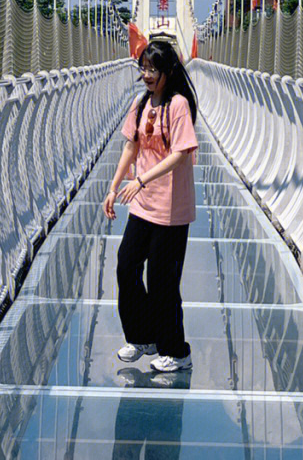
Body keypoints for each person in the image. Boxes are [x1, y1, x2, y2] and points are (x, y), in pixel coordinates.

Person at [103, 38, 199, 374]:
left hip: (172, 209)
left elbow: (180, 153)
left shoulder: (178, 106)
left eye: (152, 69)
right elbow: (131, 147)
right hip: (142, 207)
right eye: (143, 68)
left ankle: (175, 349)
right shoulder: (141, 103)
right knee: (126, 267)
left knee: (162, 281)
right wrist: (114, 188)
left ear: (168, 71)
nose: (146, 74)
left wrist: (141, 180)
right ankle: (142, 338)